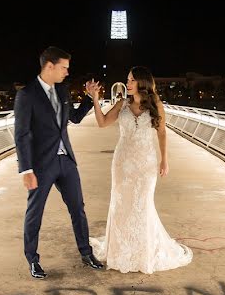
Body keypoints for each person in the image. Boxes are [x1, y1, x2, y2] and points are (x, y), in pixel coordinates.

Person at [85, 66, 193, 273]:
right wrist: (96, 99)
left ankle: (143, 253)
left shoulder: (156, 105)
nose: (128, 83)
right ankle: (120, 252)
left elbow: (162, 133)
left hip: (146, 163)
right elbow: (102, 123)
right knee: (120, 204)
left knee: (142, 204)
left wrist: (164, 160)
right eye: (128, 79)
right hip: (122, 162)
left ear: (142, 83)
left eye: (132, 80)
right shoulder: (122, 104)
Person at [13, 46, 105, 279]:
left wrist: (89, 98)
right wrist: (26, 169)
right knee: (35, 212)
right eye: (63, 67)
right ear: (50, 66)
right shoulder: (27, 95)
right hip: (42, 164)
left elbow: (73, 118)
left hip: (67, 161)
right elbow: (21, 134)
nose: (67, 72)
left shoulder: (63, 90)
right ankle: (32, 260)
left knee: (78, 208)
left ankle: (86, 253)